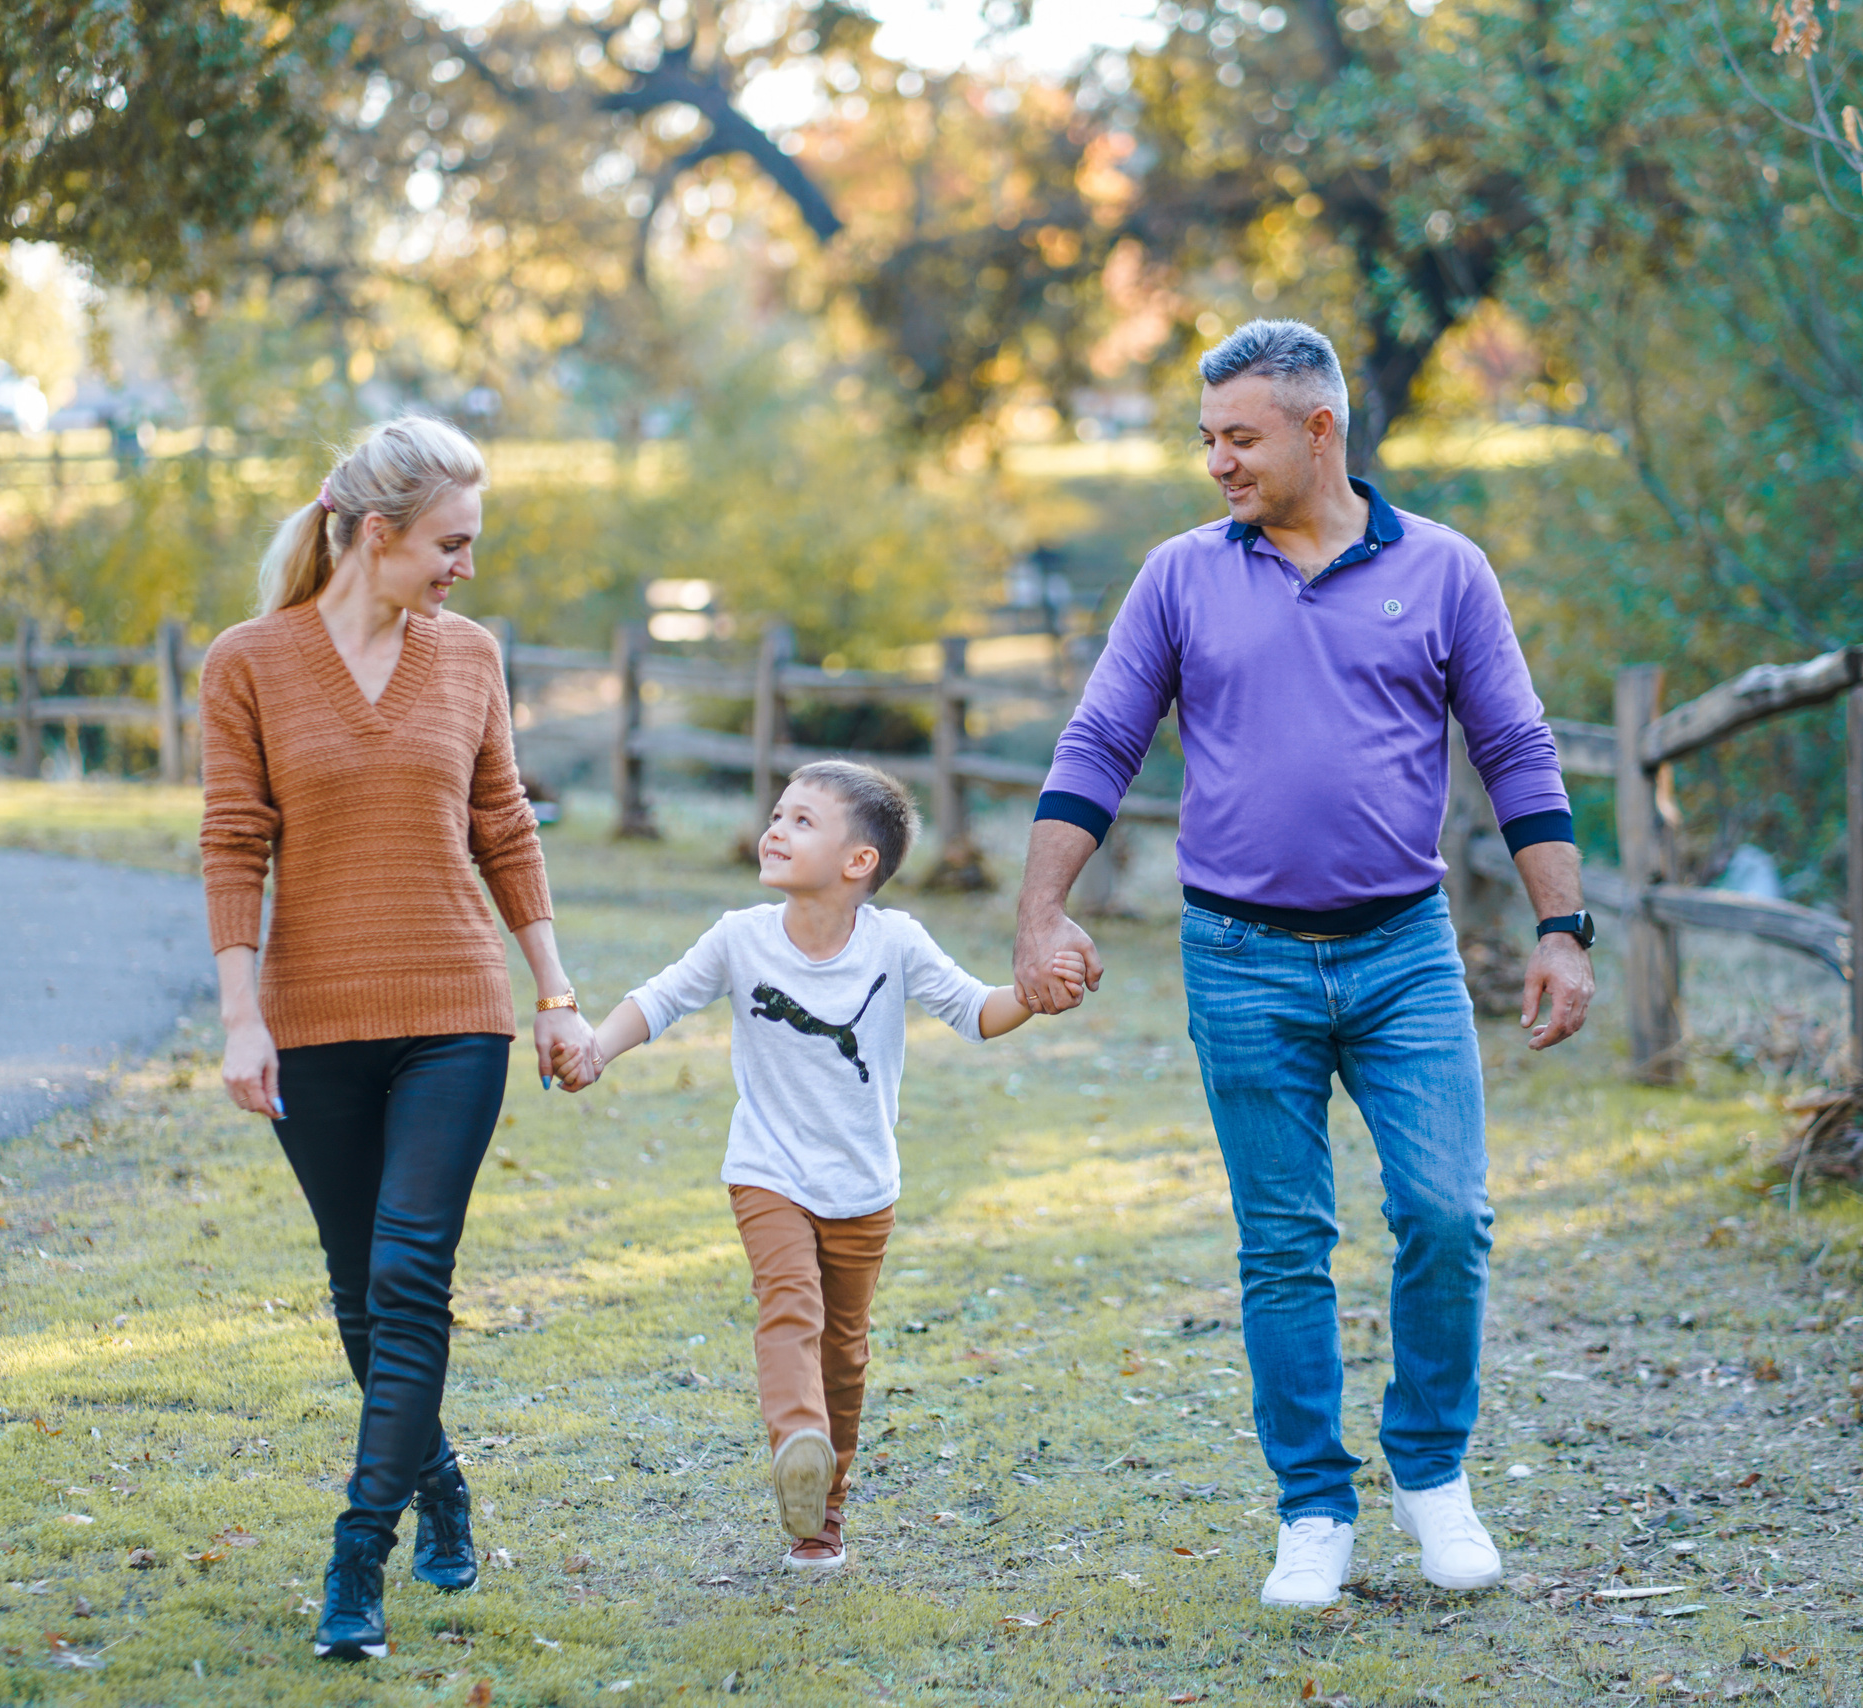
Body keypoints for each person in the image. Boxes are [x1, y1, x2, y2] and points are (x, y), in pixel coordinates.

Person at [1012, 320, 1597, 1609]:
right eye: (1205, 438)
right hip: (1240, 959)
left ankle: (1432, 1478)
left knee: (1448, 1214)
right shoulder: (1179, 575)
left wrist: (1562, 926)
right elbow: (1101, 737)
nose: (1215, 461)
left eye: (1239, 437)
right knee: (1284, 1244)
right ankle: (1312, 1510)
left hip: (1403, 956)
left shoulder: (1444, 570)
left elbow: (1515, 749)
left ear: (1318, 429)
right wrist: (1042, 912)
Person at [200, 415, 599, 1661]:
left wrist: (553, 989)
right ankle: (441, 1482)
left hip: (456, 1014)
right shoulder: (248, 663)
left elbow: (505, 826)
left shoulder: (469, 655)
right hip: (313, 1020)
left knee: (410, 1274)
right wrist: (239, 1016)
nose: (465, 566)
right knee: (360, 1297)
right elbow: (232, 841)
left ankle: (356, 1555)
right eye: (451, 542)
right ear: (378, 536)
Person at [551, 762, 1085, 1571]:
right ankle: (797, 1434)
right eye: (777, 814)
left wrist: (1037, 993)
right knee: (789, 1306)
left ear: (857, 862)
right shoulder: (741, 936)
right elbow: (659, 999)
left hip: (864, 1186)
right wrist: (595, 1046)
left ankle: (819, 1518)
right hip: (768, 1169)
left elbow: (978, 1013)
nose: (775, 829)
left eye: (803, 821)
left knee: (845, 1350)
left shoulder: (896, 942)